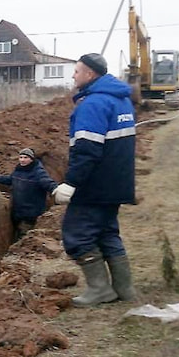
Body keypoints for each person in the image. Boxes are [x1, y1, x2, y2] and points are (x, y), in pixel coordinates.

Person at [52, 53, 137, 307]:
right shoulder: (121, 101)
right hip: (117, 181)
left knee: (77, 235)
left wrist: (71, 183)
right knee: (107, 232)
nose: (73, 76)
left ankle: (99, 289)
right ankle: (124, 288)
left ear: (90, 74)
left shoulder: (93, 105)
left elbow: (87, 149)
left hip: (96, 185)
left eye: (77, 71)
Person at [0, 148, 58, 241]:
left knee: (23, 239)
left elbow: (47, 182)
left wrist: (56, 189)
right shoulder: (19, 170)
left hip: (30, 214)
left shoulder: (38, 172)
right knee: (16, 233)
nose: (22, 160)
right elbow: (10, 180)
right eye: (21, 157)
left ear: (32, 159)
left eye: (26, 157)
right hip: (17, 212)